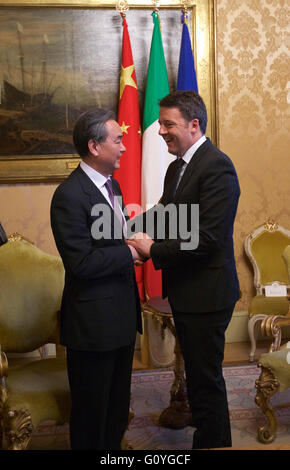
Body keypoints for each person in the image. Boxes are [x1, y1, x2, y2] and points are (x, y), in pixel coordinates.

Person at [127, 90, 240, 449]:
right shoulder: (177, 167)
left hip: (207, 294)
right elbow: (165, 215)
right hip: (188, 292)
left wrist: (152, 249)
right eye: (160, 124)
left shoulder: (216, 166)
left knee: (205, 381)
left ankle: (213, 444)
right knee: (197, 377)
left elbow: (205, 238)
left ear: (194, 125)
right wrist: (123, 230)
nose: (160, 131)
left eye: (167, 124)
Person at [50, 108, 142, 450]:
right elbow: (81, 263)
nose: (124, 147)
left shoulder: (112, 186)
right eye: (117, 140)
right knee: (91, 413)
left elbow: (111, 241)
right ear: (94, 146)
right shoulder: (69, 196)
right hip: (91, 325)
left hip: (120, 317)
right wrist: (132, 253)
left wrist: (135, 237)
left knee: (116, 408)